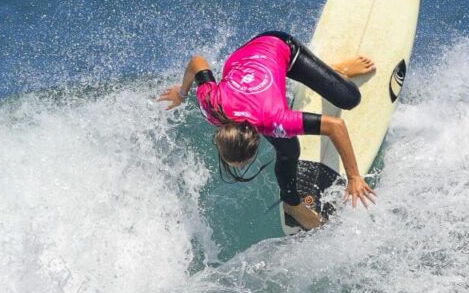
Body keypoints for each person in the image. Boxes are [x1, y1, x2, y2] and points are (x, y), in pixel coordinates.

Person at [158, 31, 376, 230]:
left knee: (349, 98)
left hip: (276, 46)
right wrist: (183, 93)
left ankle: (337, 71)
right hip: (240, 60)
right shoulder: (210, 104)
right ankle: (292, 205)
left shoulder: (275, 121)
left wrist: (354, 177)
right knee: (289, 150)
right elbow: (197, 62)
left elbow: (335, 126)